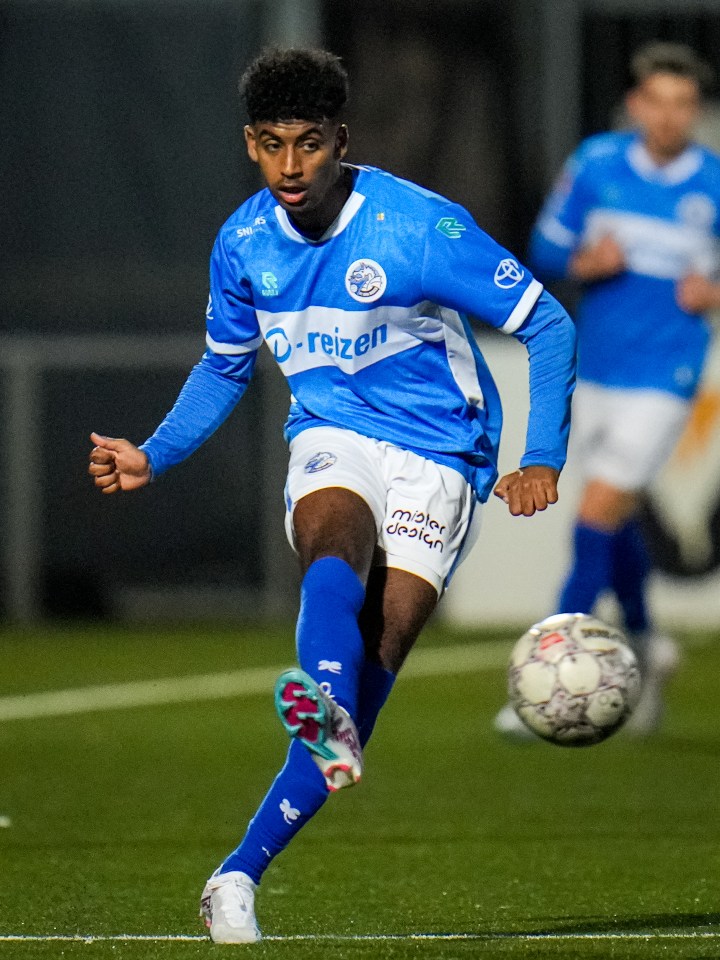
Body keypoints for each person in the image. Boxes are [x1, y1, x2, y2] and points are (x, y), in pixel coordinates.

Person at [88, 47, 576, 942]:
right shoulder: (243, 243)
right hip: (331, 432)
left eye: (308, 145)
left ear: (340, 140)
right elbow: (224, 364)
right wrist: (155, 454)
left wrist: (541, 453)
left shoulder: (418, 228)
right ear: (250, 144)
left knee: (376, 660)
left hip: (440, 454)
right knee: (330, 540)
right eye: (271, 145)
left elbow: (546, 320)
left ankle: (236, 870)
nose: (289, 167)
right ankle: (324, 705)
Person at [495, 42, 720, 740]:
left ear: (696, 110)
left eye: (684, 103)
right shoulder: (596, 164)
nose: (670, 115)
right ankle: (648, 647)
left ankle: (545, 672)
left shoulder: (713, 182)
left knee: (592, 514)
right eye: (658, 100)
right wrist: (586, 260)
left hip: (667, 377)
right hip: (594, 370)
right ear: (634, 104)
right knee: (612, 517)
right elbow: (545, 247)